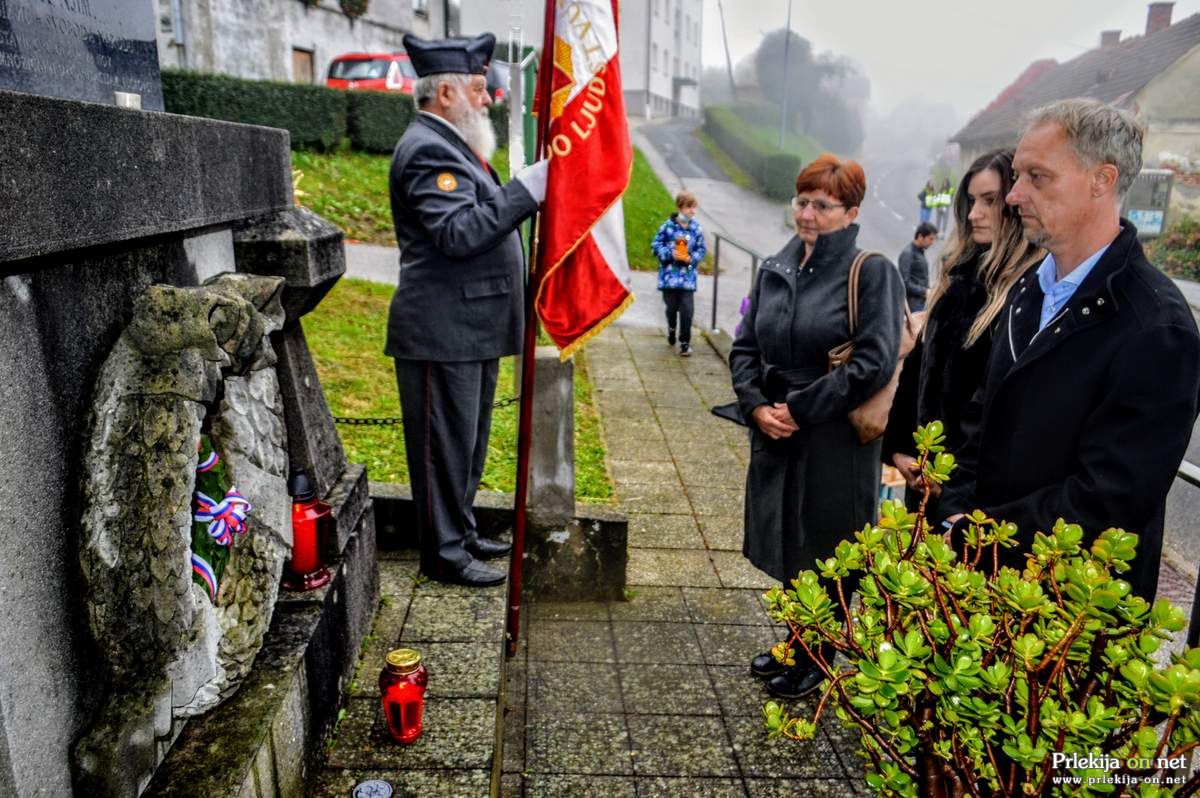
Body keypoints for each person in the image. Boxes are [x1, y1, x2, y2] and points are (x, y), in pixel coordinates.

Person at [935, 99, 1200, 600]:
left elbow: (1111, 497)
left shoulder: (1157, 325)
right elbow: (980, 421)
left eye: (1037, 177)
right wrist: (954, 509)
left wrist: (979, 533)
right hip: (988, 582)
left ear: (1102, 180)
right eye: (1017, 175)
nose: (1014, 195)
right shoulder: (1026, 290)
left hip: (1071, 616)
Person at [730, 154, 904, 699]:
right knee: (785, 537)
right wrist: (757, 405)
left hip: (831, 433)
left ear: (850, 212)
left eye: (823, 206)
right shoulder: (776, 266)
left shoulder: (871, 270)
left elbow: (873, 361)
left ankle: (819, 656)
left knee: (825, 547)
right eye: (802, 201)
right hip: (776, 424)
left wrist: (800, 409)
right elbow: (745, 346)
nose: (807, 214)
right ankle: (796, 641)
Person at [385, 32, 549, 587]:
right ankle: (443, 554)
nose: (488, 98)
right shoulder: (428, 148)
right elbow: (458, 233)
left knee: (468, 442)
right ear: (447, 91)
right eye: (479, 89)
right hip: (442, 329)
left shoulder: (452, 144)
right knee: (442, 449)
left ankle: (461, 527)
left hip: (470, 324)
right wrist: (526, 192)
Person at [883, 149, 1043, 513]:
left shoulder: (1027, 292)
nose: (974, 214)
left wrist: (955, 487)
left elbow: (1003, 416)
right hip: (923, 478)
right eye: (971, 201)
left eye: (989, 200)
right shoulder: (958, 277)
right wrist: (901, 447)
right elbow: (921, 369)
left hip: (971, 503)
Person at [652, 191, 707, 356]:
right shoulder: (667, 227)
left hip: (688, 277)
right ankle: (671, 328)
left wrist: (692, 258)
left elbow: (701, 249)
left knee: (687, 310)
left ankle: (685, 342)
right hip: (669, 276)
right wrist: (670, 253)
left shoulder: (696, 228)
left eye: (694, 207)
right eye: (689, 207)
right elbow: (655, 245)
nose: (693, 211)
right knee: (671, 308)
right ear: (680, 207)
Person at [896, 222, 937, 312]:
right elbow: (904, 283)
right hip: (912, 305)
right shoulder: (908, 254)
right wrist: (924, 291)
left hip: (921, 302)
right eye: (930, 239)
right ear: (920, 237)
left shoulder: (920, 252)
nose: (932, 243)